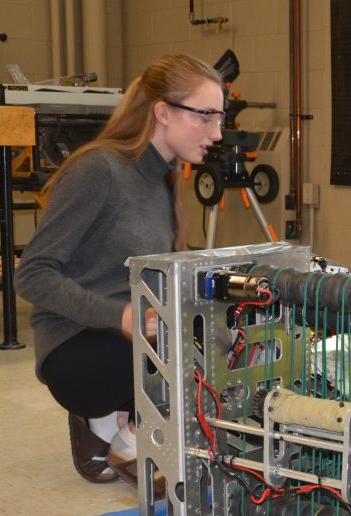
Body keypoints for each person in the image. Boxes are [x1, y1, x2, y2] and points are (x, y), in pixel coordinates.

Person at [16, 54, 225, 487]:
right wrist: (121, 317)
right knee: (191, 360)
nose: (216, 132)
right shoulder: (100, 171)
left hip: (134, 338)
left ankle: (124, 426)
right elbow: (32, 273)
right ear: (162, 112)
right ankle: (123, 433)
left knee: (224, 340)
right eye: (205, 116)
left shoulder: (165, 179)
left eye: (219, 118)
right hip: (76, 345)